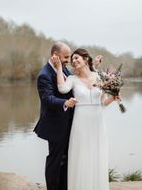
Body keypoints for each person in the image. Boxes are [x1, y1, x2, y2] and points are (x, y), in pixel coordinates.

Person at [52, 48, 117, 190]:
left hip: (98, 123)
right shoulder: (72, 79)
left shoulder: (100, 76)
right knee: (81, 157)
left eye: (76, 58)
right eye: (72, 60)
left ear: (86, 59)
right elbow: (62, 89)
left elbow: (103, 102)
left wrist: (113, 98)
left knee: (96, 156)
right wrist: (58, 68)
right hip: (80, 123)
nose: (73, 61)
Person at [34, 42, 76, 190]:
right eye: (66, 57)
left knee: (66, 159)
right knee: (55, 160)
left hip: (69, 123)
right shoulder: (44, 75)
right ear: (55, 56)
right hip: (55, 125)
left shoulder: (65, 70)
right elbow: (47, 99)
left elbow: (75, 84)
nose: (68, 60)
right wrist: (66, 103)